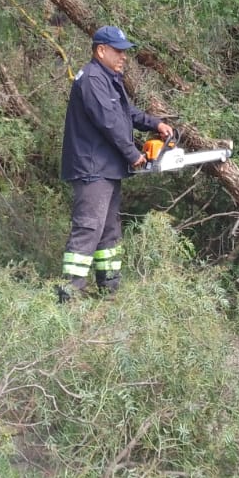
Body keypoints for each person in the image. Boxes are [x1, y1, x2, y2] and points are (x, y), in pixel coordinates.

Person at [57, 25, 172, 302]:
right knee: (88, 229)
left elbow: (125, 112)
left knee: (109, 233)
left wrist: (154, 123)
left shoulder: (108, 78)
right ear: (101, 50)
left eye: (125, 52)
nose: (124, 57)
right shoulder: (92, 79)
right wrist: (133, 154)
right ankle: (69, 296)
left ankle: (109, 291)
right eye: (119, 51)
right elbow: (108, 122)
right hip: (92, 168)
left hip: (107, 169)